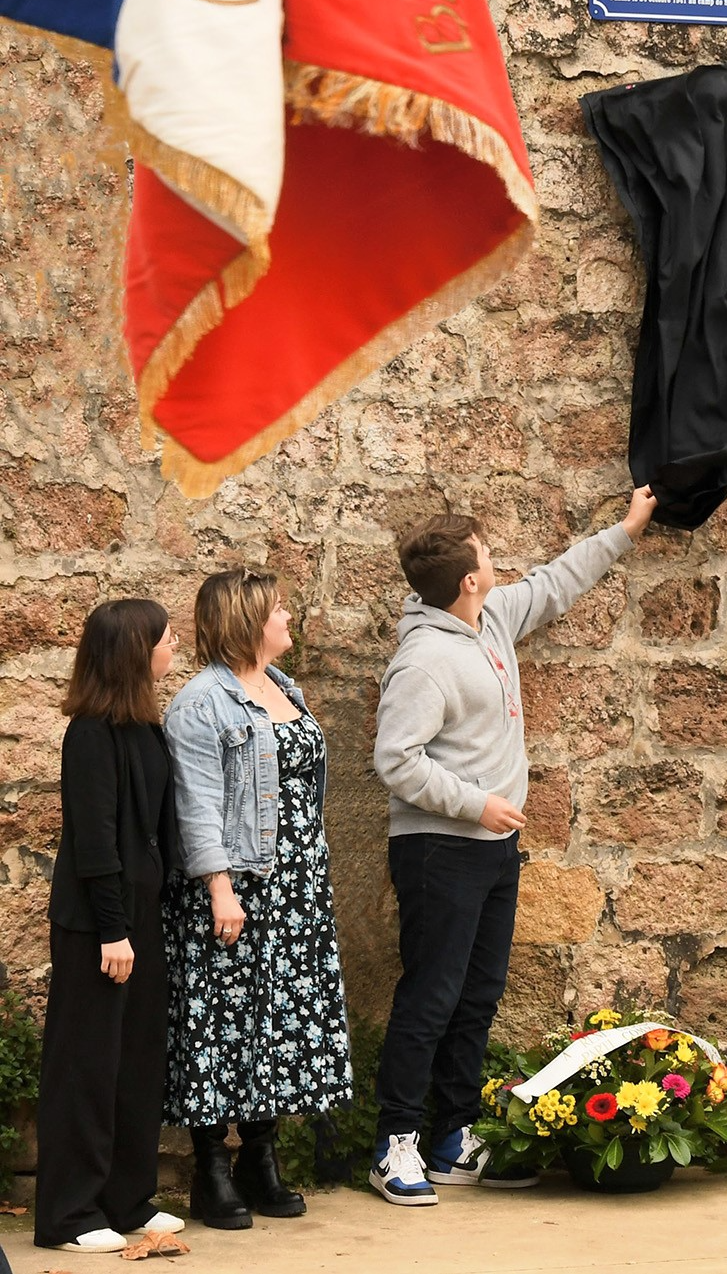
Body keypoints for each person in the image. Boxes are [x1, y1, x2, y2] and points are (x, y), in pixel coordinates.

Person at [369, 486, 658, 1206]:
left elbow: (555, 582)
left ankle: (452, 1136)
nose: (498, 563)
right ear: (468, 578)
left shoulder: (491, 616)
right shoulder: (422, 661)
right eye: (488, 556)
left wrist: (625, 529)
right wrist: (476, 802)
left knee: (477, 996)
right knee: (430, 996)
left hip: (493, 849)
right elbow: (394, 759)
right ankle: (394, 1141)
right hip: (439, 847)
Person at [163, 569, 353, 1230]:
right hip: (237, 887)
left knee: (278, 1019)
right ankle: (212, 1168)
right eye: (277, 608)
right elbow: (197, 804)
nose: (288, 614)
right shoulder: (199, 702)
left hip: (295, 886)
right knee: (223, 1022)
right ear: (247, 620)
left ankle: (260, 1156)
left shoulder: (282, 688)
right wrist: (219, 887)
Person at [35, 600, 183, 1254]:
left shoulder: (143, 723)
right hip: (100, 925)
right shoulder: (91, 732)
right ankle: (68, 1213)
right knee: (86, 1066)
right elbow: (94, 843)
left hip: (141, 918)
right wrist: (113, 930)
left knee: (137, 1062)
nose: (173, 642)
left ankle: (127, 1197)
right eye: (164, 635)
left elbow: (159, 826)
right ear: (134, 649)